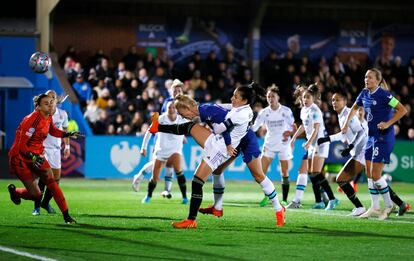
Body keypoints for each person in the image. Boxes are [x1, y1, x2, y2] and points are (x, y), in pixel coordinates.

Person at [149, 84, 285, 229]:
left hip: (236, 142)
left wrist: (227, 143)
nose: (181, 116)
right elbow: (225, 111)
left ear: (189, 109)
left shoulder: (212, 111)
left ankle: (278, 208)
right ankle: (217, 208)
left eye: (182, 114)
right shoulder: (212, 109)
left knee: (258, 175)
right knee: (191, 130)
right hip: (222, 140)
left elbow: (223, 125)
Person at [341, 68, 409, 219]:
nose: (367, 80)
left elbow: (402, 110)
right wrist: (346, 124)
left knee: (376, 174)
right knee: (369, 174)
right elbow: (354, 108)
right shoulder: (364, 93)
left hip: (383, 138)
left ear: (378, 80)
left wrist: (388, 123)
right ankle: (375, 206)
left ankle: (389, 206)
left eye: (370, 77)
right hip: (371, 138)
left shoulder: (385, 95)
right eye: (366, 77)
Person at [8, 93, 81, 224]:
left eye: (51, 102)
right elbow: (21, 146)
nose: (50, 105)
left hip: (37, 155)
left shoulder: (48, 116)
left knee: (52, 183)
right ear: (38, 107)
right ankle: (15, 192)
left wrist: (67, 133)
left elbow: (53, 130)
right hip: (20, 158)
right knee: (36, 195)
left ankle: (66, 216)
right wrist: (33, 156)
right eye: (46, 103)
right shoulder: (31, 120)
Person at [131, 79, 185, 194]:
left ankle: (167, 190)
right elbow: (168, 120)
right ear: (172, 92)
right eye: (176, 91)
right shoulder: (169, 102)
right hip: (164, 137)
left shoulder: (183, 104)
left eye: (180, 90)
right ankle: (139, 176)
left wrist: (182, 134)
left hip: (175, 138)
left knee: (170, 162)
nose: (178, 93)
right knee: (158, 162)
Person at [290, 83, 339, 210]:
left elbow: (316, 129)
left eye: (308, 97)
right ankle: (319, 201)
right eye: (303, 97)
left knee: (316, 172)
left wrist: (308, 142)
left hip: (320, 143)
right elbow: (303, 126)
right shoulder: (303, 110)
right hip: (312, 144)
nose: (305, 100)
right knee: (312, 174)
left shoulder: (315, 110)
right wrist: (294, 137)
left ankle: (332, 199)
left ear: (313, 98)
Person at [251, 85, 296, 206]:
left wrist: (290, 133)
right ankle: (267, 195)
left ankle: (285, 199)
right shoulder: (264, 112)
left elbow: (293, 127)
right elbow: (255, 127)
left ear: (278, 97)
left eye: (273, 96)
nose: (271, 98)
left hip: (283, 144)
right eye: (268, 96)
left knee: (284, 173)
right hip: (269, 144)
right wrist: (246, 126)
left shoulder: (286, 111)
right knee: (261, 172)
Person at [140, 101, 188, 204]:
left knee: (179, 172)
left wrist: (184, 136)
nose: (171, 109)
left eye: (173, 107)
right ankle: (148, 195)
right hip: (161, 150)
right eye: (169, 107)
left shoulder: (181, 119)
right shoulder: (161, 119)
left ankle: (185, 198)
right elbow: (149, 132)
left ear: (176, 109)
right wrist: (143, 147)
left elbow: (190, 127)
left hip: (175, 150)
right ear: (166, 109)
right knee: (155, 177)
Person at [32, 90, 70, 216]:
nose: (51, 100)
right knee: (44, 178)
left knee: (56, 181)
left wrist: (67, 146)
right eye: (49, 98)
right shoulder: (42, 113)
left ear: (56, 100)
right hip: (43, 149)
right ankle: (36, 207)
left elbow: (65, 130)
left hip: (56, 150)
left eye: (53, 98)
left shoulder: (63, 114)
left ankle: (45, 203)